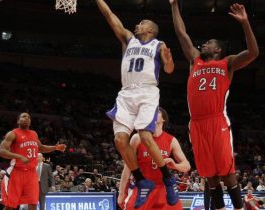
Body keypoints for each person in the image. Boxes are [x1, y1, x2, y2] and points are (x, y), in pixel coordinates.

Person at [169, 1, 259, 210]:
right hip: (197, 125)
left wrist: (245, 23)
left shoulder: (227, 63)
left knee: (227, 175)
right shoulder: (195, 60)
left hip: (217, 120)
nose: (204, 45)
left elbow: (253, 53)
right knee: (210, 177)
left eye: (209, 43)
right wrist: (174, 5)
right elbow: (181, 33)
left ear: (217, 49)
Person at [96, 0, 177, 208]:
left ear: (150, 29)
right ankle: (142, 180)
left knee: (144, 135)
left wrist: (168, 60)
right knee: (120, 140)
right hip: (126, 93)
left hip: (147, 91)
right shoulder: (128, 39)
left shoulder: (158, 45)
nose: (136, 25)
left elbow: (169, 70)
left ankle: (168, 179)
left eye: (141, 23)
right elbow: (109, 15)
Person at [118, 107, 190, 210]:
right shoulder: (137, 138)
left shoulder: (171, 140)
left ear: (163, 119)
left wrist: (175, 165)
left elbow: (186, 166)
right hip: (142, 188)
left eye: (157, 111)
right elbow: (127, 167)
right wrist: (121, 193)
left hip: (163, 189)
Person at [0, 112, 66, 210]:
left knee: (33, 203)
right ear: (18, 121)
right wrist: (19, 156)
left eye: (29, 117)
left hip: (31, 174)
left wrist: (56, 147)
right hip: (16, 172)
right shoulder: (13, 133)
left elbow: (41, 147)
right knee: (10, 205)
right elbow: (1, 151)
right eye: (24, 116)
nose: (27, 118)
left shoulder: (34, 134)